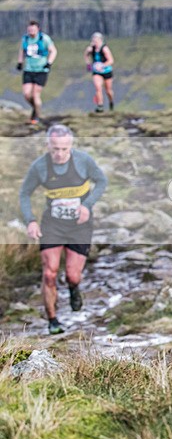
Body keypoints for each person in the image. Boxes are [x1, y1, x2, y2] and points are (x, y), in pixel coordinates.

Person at [19, 124, 108, 335]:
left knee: (73, 275)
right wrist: (30, 221)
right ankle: (53, 321)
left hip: (79, 226)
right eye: (55, 149)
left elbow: (102, 181)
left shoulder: (83, 161)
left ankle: (74, 288)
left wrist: (87, 205)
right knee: (49, 273)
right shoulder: (39, 166)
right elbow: (25, 193)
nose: (59, 154)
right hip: (53, 225)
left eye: (64, 149)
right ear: (48, 146)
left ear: (71, 146)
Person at [16, 20, 57, 125]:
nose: (31, 31)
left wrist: (49, 62)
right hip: (29, 70)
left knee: (36, 94)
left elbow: (53, 50)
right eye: (29, 29)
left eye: (33, 29)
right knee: (26, 94)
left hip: (41, 71)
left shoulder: (44, 39)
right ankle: (35, 108)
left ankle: (36, 117)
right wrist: (20, 62)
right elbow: (22, 51)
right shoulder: (25, 39)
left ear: (38, 29)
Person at [84, 32, 115, 112]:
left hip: (106, 71)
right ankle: (100, 105)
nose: (95, 42)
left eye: (96, 40)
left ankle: (111, 102)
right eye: (93, 40)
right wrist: (88, 64)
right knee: (98, 87)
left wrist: (102, 66)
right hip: (96, 71)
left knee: (108, 90)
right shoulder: (92, 49)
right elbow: (86, 55)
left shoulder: (104, 49)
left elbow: (111, 60)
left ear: (100, 40)